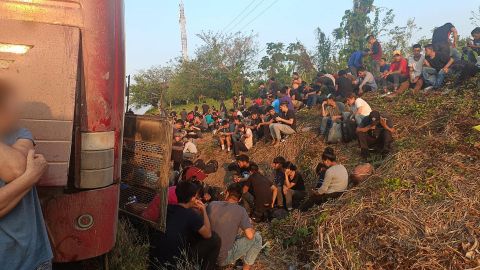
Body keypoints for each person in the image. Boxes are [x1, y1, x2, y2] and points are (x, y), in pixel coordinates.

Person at [0, 80, 53, 270]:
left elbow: (16, 168)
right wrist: (31, 177)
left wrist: (25, 174)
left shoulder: (20, 134)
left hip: (33, 260)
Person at [149, 181, 220, 270]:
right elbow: (208, 234)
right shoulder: (191, 215)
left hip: (155, 260)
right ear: (193, 199)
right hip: (174, 262)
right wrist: (204, 210)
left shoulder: (167, 208)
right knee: (215, 238)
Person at [208, 183, 263, 269]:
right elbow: (250, 235)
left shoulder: (212, 204)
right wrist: (251, 226)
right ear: (240, 199)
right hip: (221, 259)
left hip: (206, 253)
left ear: (226, 193)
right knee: (257, 238)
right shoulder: (241, 210)